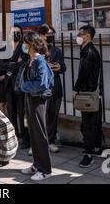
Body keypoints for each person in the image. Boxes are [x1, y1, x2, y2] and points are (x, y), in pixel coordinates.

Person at [17, 32, 53, 181]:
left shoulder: (39, 61)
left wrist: (24, 86)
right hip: (30, 99)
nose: (23, 46)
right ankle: (37, 164)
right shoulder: (31, 60)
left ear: (31, 45)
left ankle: (45, 169)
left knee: (39, 134)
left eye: (25, 43)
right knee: (33, 133)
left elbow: (42, 84)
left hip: (38, 100)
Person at [73, 25, 103, 168]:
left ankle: (89, 154)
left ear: (87, 36)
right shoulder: (86, 50)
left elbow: (84, 73)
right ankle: (96, 148)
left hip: (88, 92)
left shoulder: (89, 52)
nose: (78, 35)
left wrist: (76, 88)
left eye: (81, 33)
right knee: (93, 122)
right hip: (91, 91)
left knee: (88, 124)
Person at [38, 24, 66, 153]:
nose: (50, 37)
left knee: (53, 116)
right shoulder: (36, 50)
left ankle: (51, 141)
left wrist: (59, 67)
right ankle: (39, 143)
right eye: (48, 34)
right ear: (41, 35)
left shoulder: (57, 50)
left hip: (55, 87)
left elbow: (63, 66)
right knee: (41, 116)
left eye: (52, 34)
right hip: (41, 88)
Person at [1, 26, 30, 150]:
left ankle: (24, 138)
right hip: (8, 84)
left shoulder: (24, 47)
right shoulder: (6, 48)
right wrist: (15, 64)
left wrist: (11, 65)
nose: (14, 34)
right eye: (12, 32)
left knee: (21, 111)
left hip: (19, 84)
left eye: (17, 32)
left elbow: (25, 63)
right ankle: (13, 136)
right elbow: (1, 66)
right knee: (11, 111)